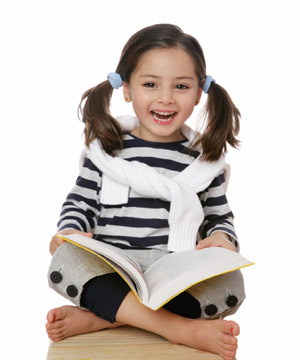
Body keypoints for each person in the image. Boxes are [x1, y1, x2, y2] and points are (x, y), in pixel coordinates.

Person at [46, 24, 244, 360]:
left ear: (199, 93)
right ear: (125, 88)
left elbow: (218, 217)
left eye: (180, 86)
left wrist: (223, 241)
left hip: (174, 272)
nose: (165, 98)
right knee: (64, 260)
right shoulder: (107, 151)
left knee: (231, 285)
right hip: (115, 267)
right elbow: (80, 202)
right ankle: (178, 328)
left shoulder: (204, 159)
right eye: (150, 84)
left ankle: (106, 316)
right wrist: (70, 231)